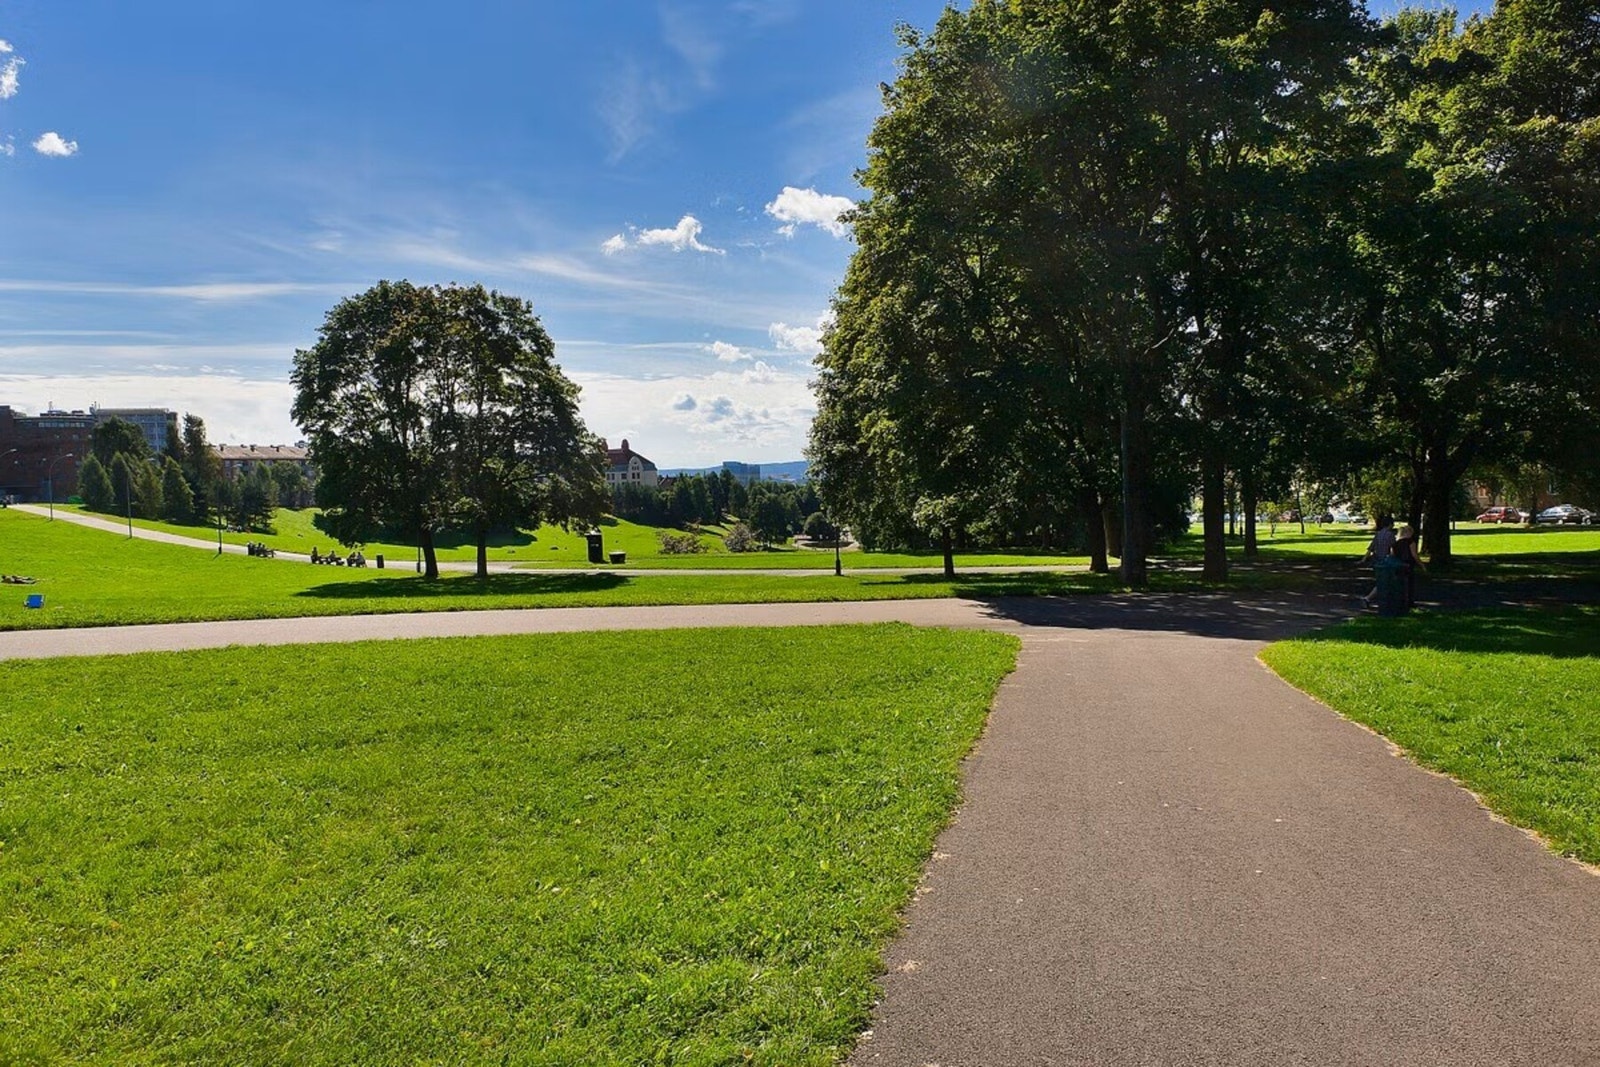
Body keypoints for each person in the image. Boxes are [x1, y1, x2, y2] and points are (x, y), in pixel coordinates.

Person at [1359, 513, 1396, 608]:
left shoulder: (1378, 534)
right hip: (1386, 562)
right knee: (1385, 582)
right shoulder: (1391, 535)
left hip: (1377, 560)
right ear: (1390, 524)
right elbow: (1393, 549)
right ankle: (1369, 598)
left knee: (1382, 581)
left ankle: (1382, 600)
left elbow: (1371, 548)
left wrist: (1364, 559)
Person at [1393, 524, 1426, 608]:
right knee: (1410, 584)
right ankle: (1410, 602)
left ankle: (1400, 601)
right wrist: (1421, 565)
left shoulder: (1396, 543)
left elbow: (1392, 555)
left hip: (1398, 564)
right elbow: (1414, 555)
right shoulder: (1411, 542)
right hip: (1408, 564)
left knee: (1399, 583)